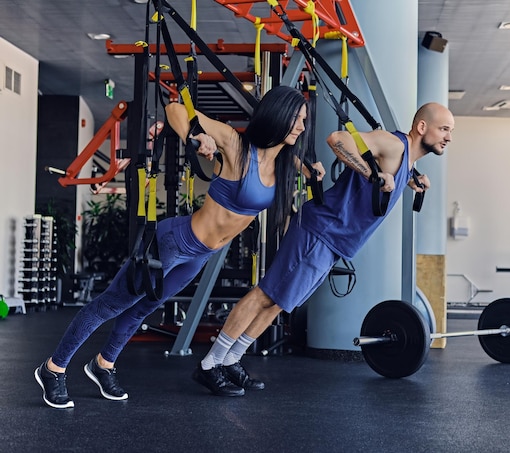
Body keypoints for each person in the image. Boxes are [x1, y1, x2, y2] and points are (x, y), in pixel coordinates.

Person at [34, 85, 324, 408]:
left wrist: (312, 172)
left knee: (144, 308)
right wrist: (195, 136)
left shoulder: (284, 164)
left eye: (304, 120)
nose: (301, 126)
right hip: (174, 242)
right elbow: (175, 110)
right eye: (297, 118)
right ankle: (53, 368)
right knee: (111, 304)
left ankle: (103, 364)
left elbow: (298, 166)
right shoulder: (236, 144)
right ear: (279, 114)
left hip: (200, 255)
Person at [193, 102, 454, 396]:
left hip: (333, 242)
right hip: (319, 230)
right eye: (444, 129)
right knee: (266, 293)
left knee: (280, 302)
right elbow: (337, 139)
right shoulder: (394, 144)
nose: (448, 137)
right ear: (422, 128)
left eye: (450, 131)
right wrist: (372, 175)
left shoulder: (406, 163)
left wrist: (411, 179)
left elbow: (388, 176)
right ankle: (210, 363)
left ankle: (232, 360)